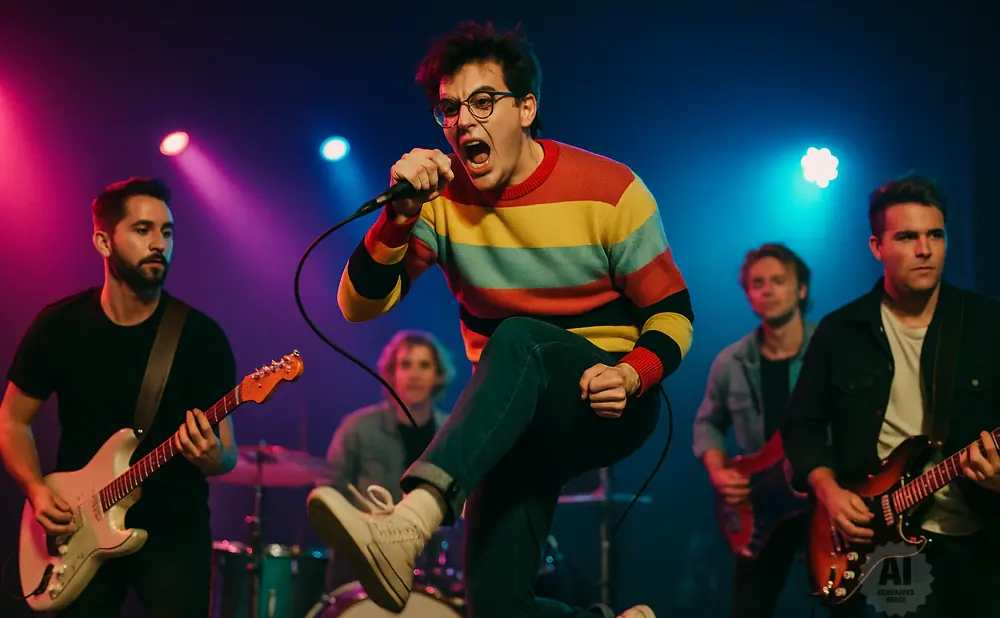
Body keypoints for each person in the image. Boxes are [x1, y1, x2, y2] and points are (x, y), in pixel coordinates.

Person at [307, 21, 693, 618]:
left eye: (483, 102)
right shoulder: (441, 204)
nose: (464, 121)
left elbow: (673, 314)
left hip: (608, 402)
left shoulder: (611, 190)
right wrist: (399, 216)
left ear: (528, 108)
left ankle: (411, 521)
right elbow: (357, 306)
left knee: (517, 338)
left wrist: (633, 374)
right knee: (495, 605)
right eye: (449, 109)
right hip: (516, 420)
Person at [0, 177, 238, 617]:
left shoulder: (201, 338)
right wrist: (35, 490)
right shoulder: (59, 326)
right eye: (143, 230)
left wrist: (211, 457)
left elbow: (226, 455)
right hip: (77, 528)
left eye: (167, 232)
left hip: (174, 532)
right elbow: (13, 420)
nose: (158, 244)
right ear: (103, 242)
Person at [780, 175, 1000, 616]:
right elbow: (801, 426)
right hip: (879, 540)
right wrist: (828, 490)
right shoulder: (841, 331)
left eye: (935, 235)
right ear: (876, 247)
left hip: (975, 537)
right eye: (907, 237)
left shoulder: (985, 324)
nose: (925, 250)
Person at [692, 243, 815, 618]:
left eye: (779, 280)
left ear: (801, 289)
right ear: (747, 294)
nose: (768, 289)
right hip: (760, 506)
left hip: (821, 500)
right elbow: (707, 423)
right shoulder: (730, 361)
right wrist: (719, 471)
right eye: (757, 283)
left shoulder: (831, 347)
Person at [323, 329, 454, 589]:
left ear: (438, 376)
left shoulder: (453, 432)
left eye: (424, 365)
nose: (415, 374)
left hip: (434, 565)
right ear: (391, 373)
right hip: (364, 564)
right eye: (406, 364)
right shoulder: (357, 428)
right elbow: (329, 497)